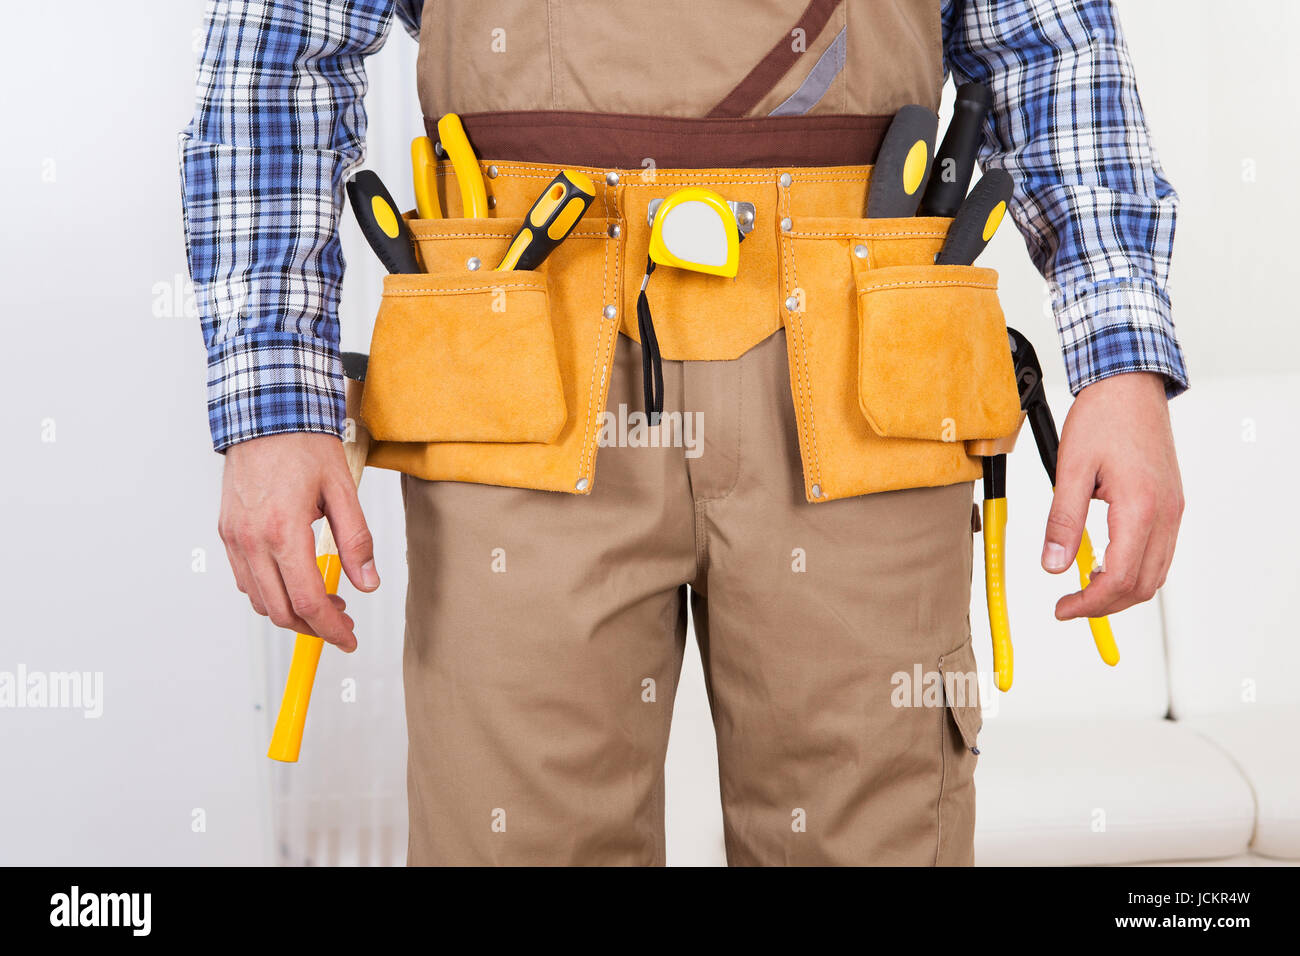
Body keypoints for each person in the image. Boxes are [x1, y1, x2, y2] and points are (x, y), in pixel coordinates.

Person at [180, 0, 1185, 865]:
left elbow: (1050, 47)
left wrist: (1119, 360)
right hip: (516, 363)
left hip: (861, 365)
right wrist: (272, 401)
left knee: (874, 836)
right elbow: (281, 49)